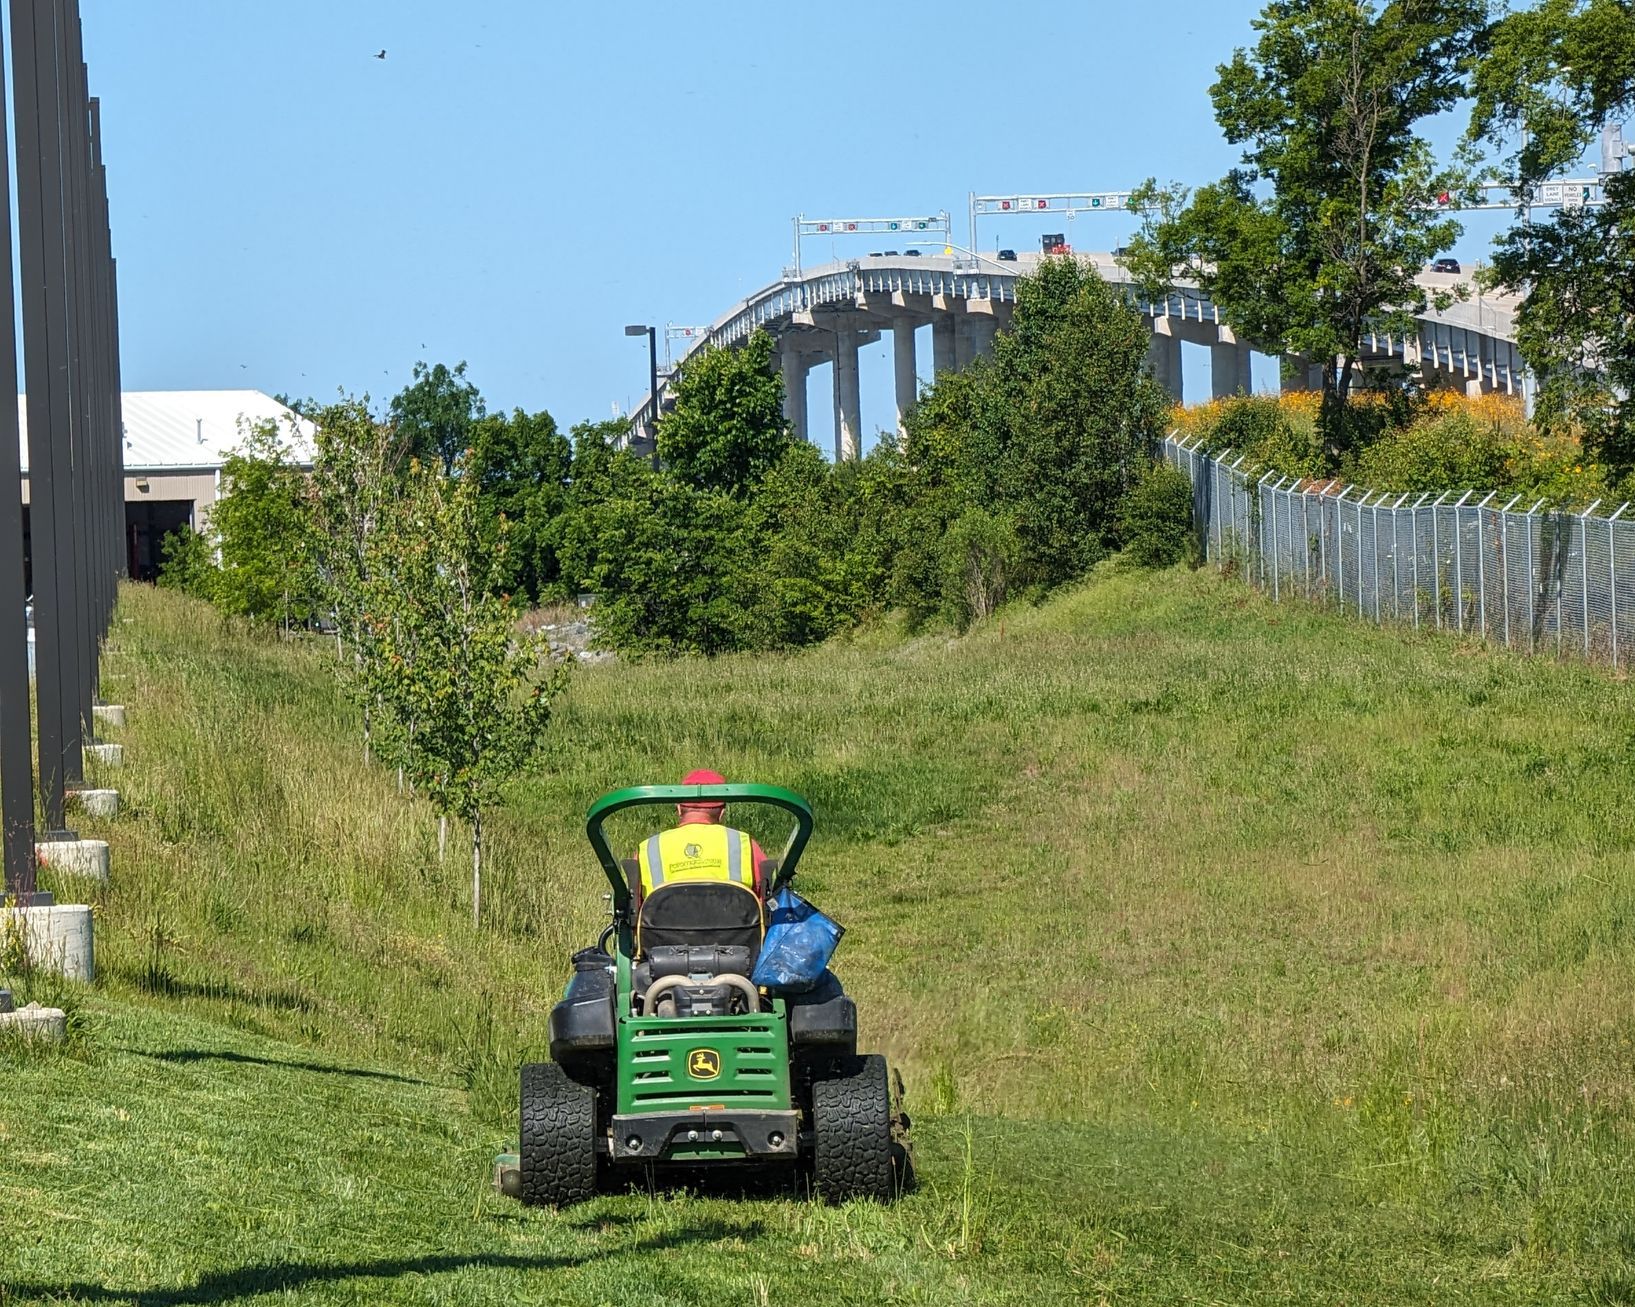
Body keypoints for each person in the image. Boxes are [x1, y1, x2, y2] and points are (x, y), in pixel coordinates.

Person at [634, 769, 767, 902]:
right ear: (722, 812)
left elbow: (634, 905)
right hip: (734, 922)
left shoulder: (648, 850)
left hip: (665, 922)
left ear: (679, 808)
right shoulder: (745, 845)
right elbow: (766, 898)